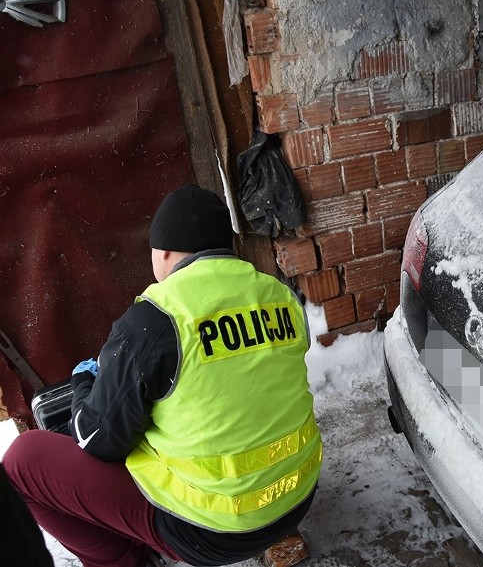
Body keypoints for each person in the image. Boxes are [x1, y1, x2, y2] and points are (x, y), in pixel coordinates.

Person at [3, 184, 322, 567]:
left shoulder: (156, 319)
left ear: (165, 252)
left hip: (213, 533)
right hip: (296, 497)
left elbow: (96, 440)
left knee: (23, 461)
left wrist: (85, 383)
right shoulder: (280, 296)